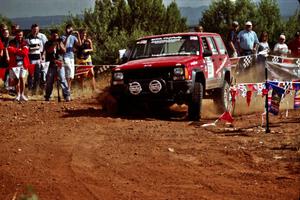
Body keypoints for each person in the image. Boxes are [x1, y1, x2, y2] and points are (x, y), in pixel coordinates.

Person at [44, 29, 70, 102]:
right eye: (54, 35)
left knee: (62, 79)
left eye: (56, 35)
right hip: (51, 63)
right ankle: (48, 96)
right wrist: (54, 44)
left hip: (59, 63)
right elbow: (49, 51)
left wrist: (59, 44)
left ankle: (66, 95)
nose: (55, 37)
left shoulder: (60, 42)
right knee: (49, 80)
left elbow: (64, 50)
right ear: (51, 36)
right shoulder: (47, 43)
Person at [7, 30, 29, 102]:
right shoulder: (11, 42)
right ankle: (18, 95)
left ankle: (22, 95)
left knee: (22, 78)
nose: (20, 36)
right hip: (14, 63)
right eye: (18, 35)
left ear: (22, 35)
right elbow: (10, 50)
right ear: (16, 35)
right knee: (16, 79)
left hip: (23, 63)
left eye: (21, 35)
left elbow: (25, 53)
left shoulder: (25, 42)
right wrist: (19, 50)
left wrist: (15, 50)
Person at [61, 24, 81, 93]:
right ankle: (67, 88)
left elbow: (79, 44)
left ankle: (68, 88)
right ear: (66, 29)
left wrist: (78, 35)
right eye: (69, 29)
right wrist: (67, 36)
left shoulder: (73, 37)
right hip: (65, 56)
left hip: (72, 56)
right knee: (68, 70)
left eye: (71, 29)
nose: (70, 30)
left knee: (72, 74)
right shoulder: (63, 37)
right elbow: (64, 45)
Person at [26, 24, 45, 94]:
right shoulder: (28, 39)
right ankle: (29, 89)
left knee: (37, 75)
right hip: (31, 59)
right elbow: (27, 50)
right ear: (31, 30)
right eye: (34, 29)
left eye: (36, 29)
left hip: (38, 59)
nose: (35, 31)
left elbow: (41, 50)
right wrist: (34, 47)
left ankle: (35, 90)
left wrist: (41, 58)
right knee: (31, 75)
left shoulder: (40, 39)